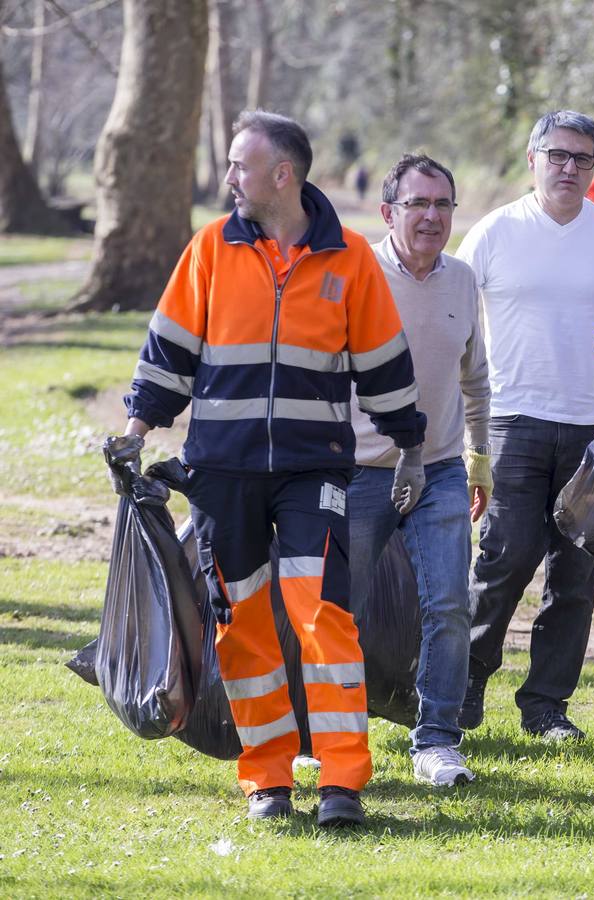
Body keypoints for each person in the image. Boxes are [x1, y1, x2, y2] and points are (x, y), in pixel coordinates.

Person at [108, 110, 426, 826]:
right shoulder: (210, 251)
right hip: (222, 472)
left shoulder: (348, 260)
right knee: (243, 623)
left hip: (316, 472)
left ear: (282, 175)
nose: (228, 178)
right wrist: (136, 428)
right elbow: (168, 354)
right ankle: (268, 781)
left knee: (325, 617)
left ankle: (342, 781)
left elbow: (384, 366)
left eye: (239, 165)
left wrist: (410, 447)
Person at [456, 110, 594, 741]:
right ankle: (464, 689)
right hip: (513, 420)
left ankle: (546, 707)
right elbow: (454, 314)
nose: (568, 168)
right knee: (504, 557)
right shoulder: (493, 233)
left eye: (581, 159)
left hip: (592, 428)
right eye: (556, 155)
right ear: (533, 158)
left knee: (575, 574)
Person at [345, 153, 492, 788]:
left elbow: (476, 378)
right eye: (418, 204)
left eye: (443, 205)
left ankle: (436, 738)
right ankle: (327, 732)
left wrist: (479, 459)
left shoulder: (461, 279)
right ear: (388, 213)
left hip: (439, 471)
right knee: (336, 610)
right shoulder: (355, 273)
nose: (432, 216)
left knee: (451, 605)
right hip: (357, 470)